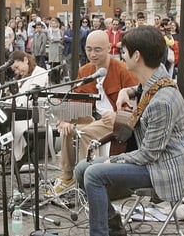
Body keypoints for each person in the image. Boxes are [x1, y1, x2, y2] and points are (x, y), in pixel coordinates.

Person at [74, 25, 184, 236]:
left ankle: (101, 233)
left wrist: (116, 160)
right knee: (81, 168)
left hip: (165, 169)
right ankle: (114, 226)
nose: (122, 56)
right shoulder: (157, 75)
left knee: (94, 174)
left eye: (125, 52)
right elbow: (143, 90)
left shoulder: (163, 102)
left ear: (137, 56)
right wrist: (126, 90)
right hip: (155, 161)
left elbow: (149, 154)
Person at [51, 30, 138, 194]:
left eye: (97, 49)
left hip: (114, 121)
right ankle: (67, 176)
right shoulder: (85, 71)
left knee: (82, 133)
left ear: (109, 48)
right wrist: (66, 119)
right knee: (67, 129)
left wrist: (118, 115)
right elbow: (77, 98)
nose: (92, 54)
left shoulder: (122, 70)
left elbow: (136, 103)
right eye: (89, 49)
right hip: (94, 118)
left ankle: (87, 180)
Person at [7, 51, 49, 162]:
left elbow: (29, 97)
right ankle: (4, 154)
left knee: (12, 124)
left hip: (35, 113)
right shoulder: (20, 77)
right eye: (14, 70)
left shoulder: (40, 73)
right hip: (22, 111)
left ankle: (14, 158)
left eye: (17, 67)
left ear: (26, 60)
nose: (17, 71)